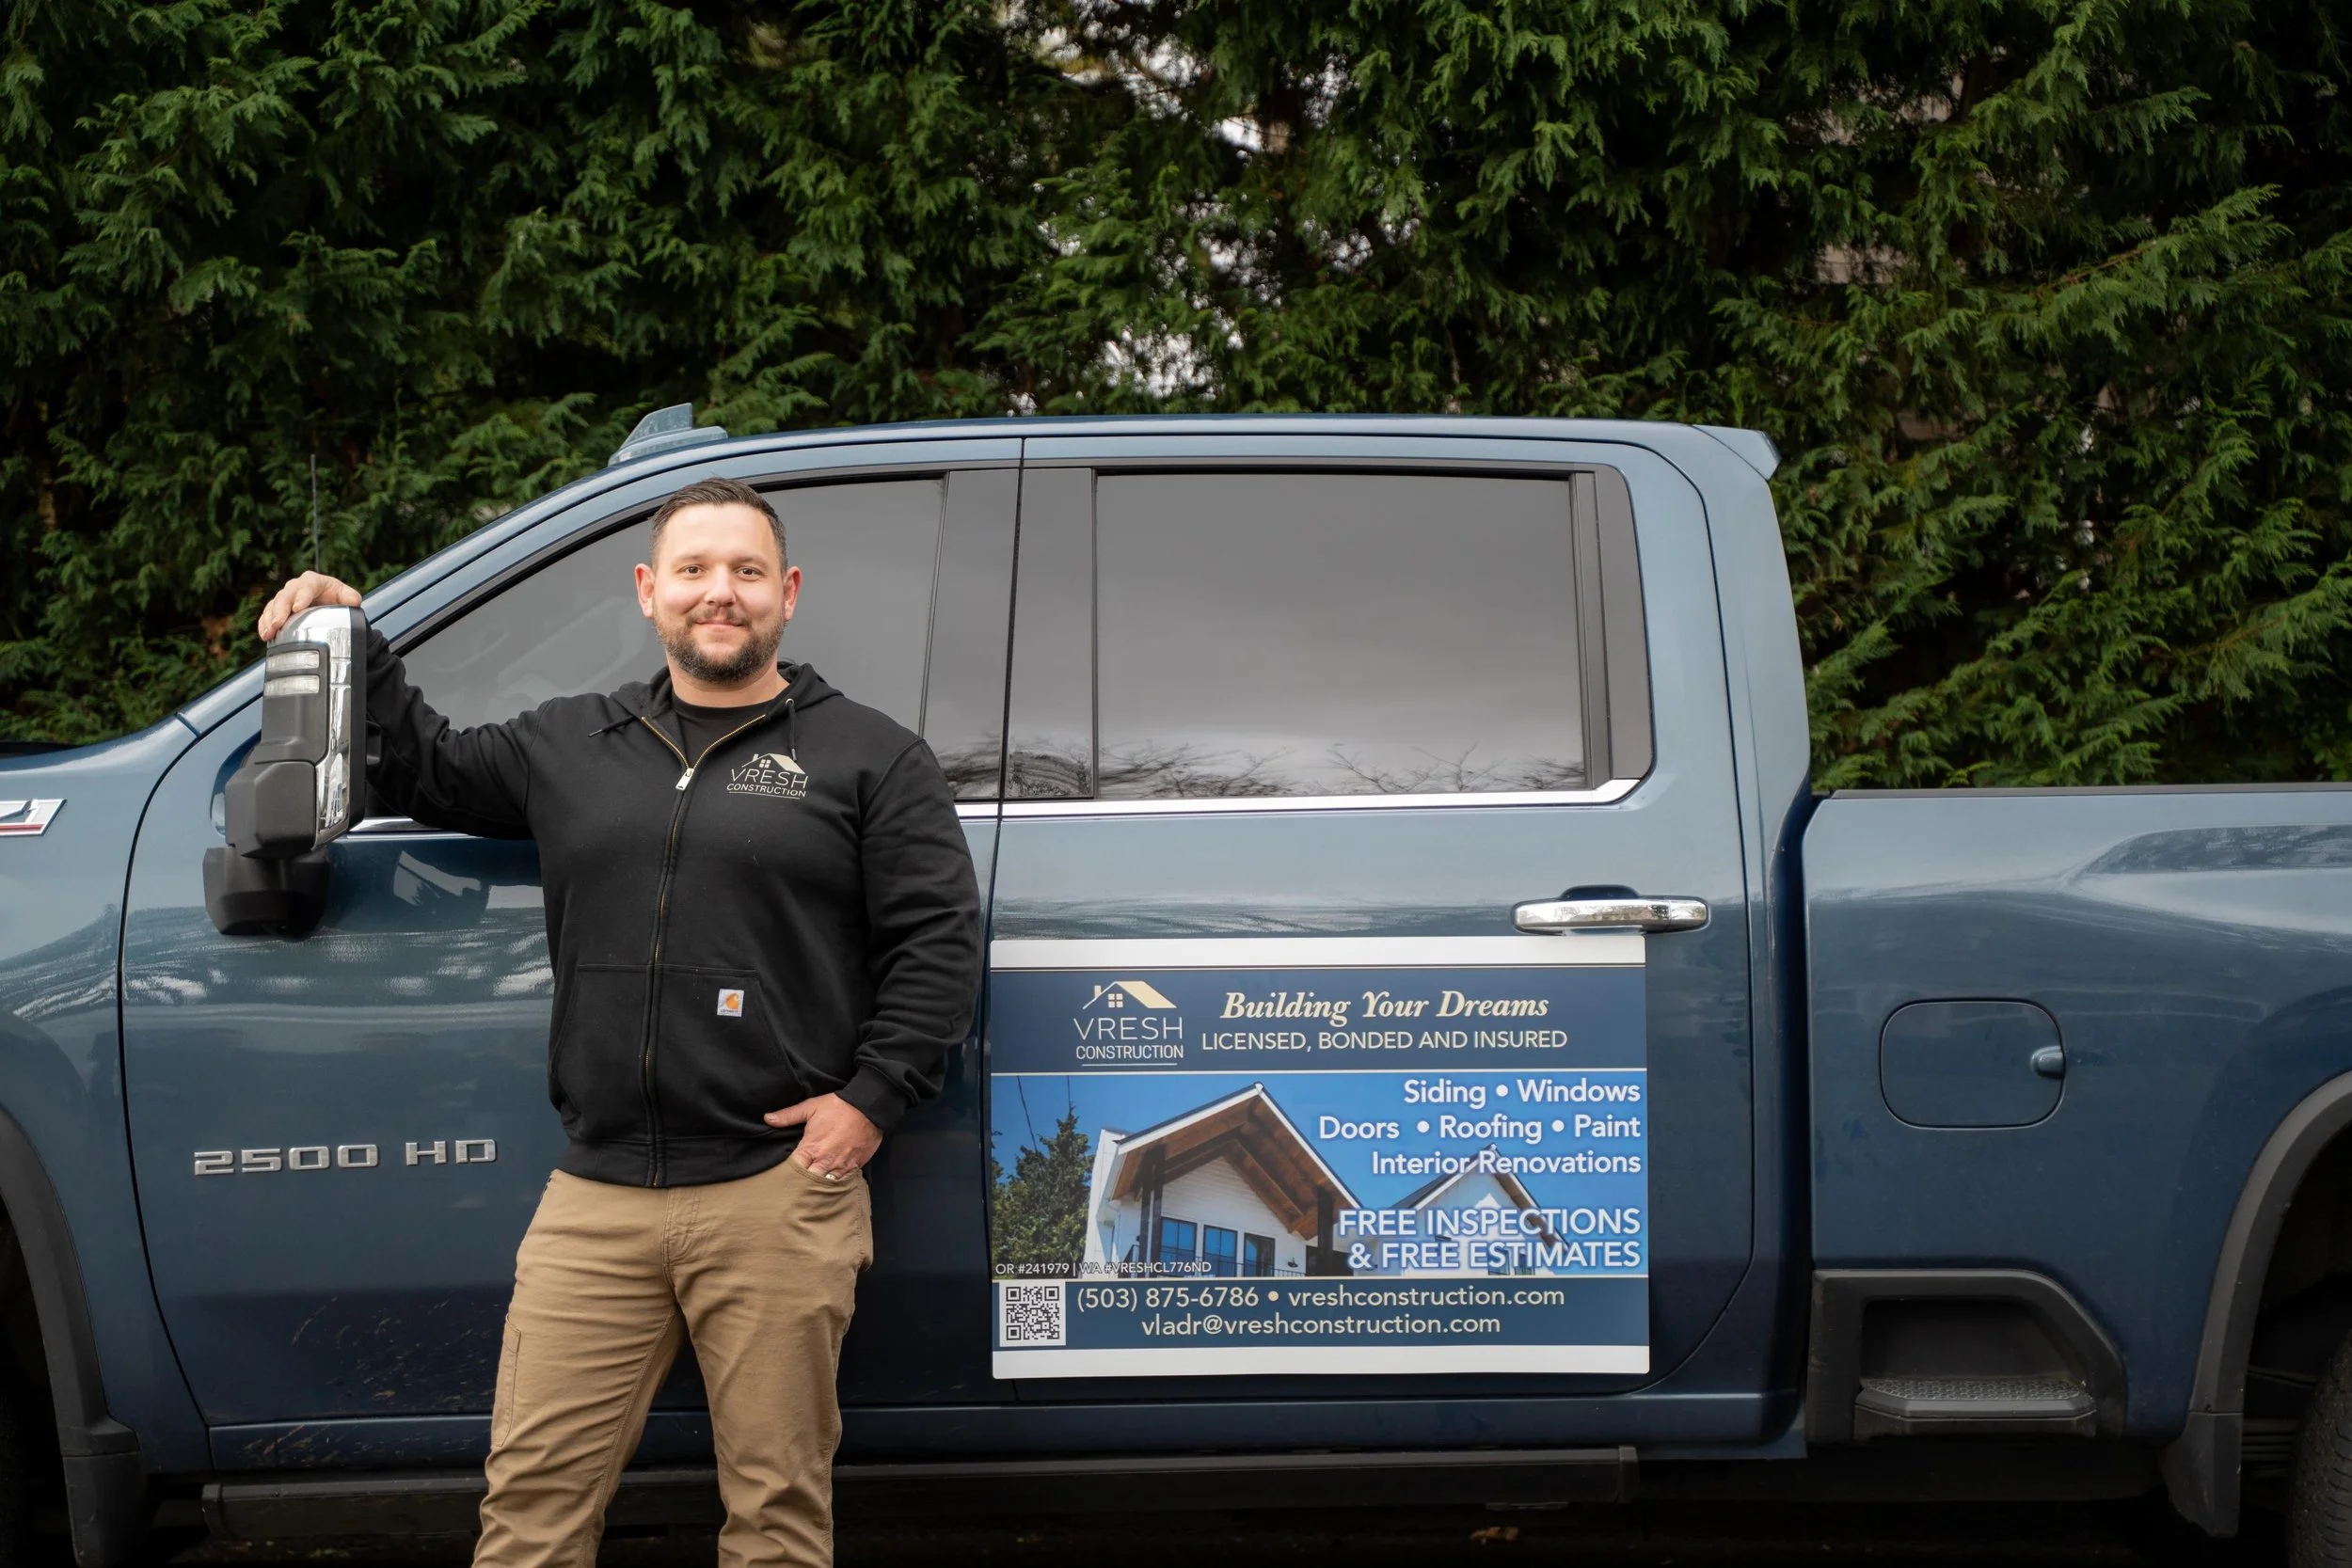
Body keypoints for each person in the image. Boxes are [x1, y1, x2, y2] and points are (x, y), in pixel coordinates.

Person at [257, 476, 984, 1568]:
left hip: (776, 1190)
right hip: (595, 1202)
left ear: (786, 592)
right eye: (693, 570)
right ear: (649, 591)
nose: (718, 593)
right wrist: (354, 637)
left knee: (778, 1519)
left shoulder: (872, 756)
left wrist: (868, 1105)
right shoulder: (571, 743)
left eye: (745, 571)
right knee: (530, 1514)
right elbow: (425, 765)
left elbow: (938, 947)